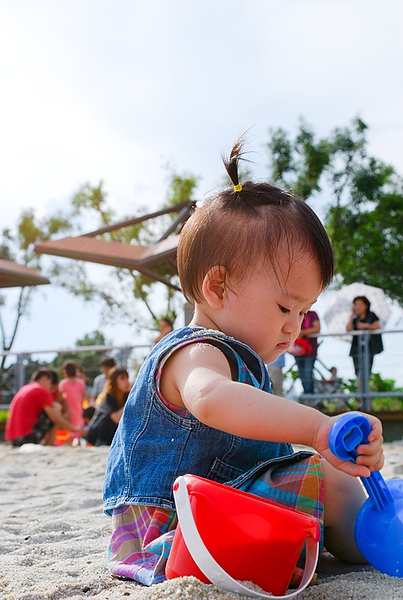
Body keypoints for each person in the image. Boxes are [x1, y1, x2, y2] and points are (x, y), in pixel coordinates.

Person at [103, 139, 384, 587]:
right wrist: (317, 430)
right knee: (326, 480)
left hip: (223, 515)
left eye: (303, 311)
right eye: (283, 308)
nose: (295, 327)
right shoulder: (197, 352)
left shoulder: (242, 360)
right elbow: (212, 399)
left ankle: (368, 525)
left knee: (334, 479)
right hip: (177, 529)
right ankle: (375, 535)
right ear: (217, 288)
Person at [5, 369, 84, 447]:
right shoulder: (41, 390)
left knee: (51, 411)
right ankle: (50, 444)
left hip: (13, 438)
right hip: (26, 437)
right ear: (45, 378)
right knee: (54, 412)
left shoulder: (26, 388)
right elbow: (56, 418)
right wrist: (75, 429)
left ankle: (48, 443)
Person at [85, 367, 131, 446]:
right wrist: (131, 399)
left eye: (127, 378)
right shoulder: (108, 397)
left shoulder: (126, 396)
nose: (126, 382)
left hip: (113, 434)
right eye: (122, 379)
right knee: (107, 419)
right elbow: (115, 419)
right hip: (97, 435)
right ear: (114, 381)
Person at [346, 295, 384, 387]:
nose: (357, 306)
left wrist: (366, 326)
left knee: (366, 373)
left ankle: (365, 396)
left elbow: (377, 326)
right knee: (358, 373)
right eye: (355, 304)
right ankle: (362, 396)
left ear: (366, 305)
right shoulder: (355, 319)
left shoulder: (372, 315)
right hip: (356, 348)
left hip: (369, 349)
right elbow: (348, 329)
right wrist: (352, 315)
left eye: (359, 304)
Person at [293, 310, 321, 396]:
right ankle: (307, 396)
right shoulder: (295, 313)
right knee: (302, 374)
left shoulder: (312, 314)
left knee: (307, 374)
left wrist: (303, 333)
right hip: (298, 350)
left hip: (310, 350)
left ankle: (310, 396)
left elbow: (317, 328)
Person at [59, 361, 86, 430]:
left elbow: (60, 397)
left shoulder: (63, 383)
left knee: (69, 427)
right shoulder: (80, 382)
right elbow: (85, 396)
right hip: (77, 407)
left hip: (68, 408)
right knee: (78, 426)